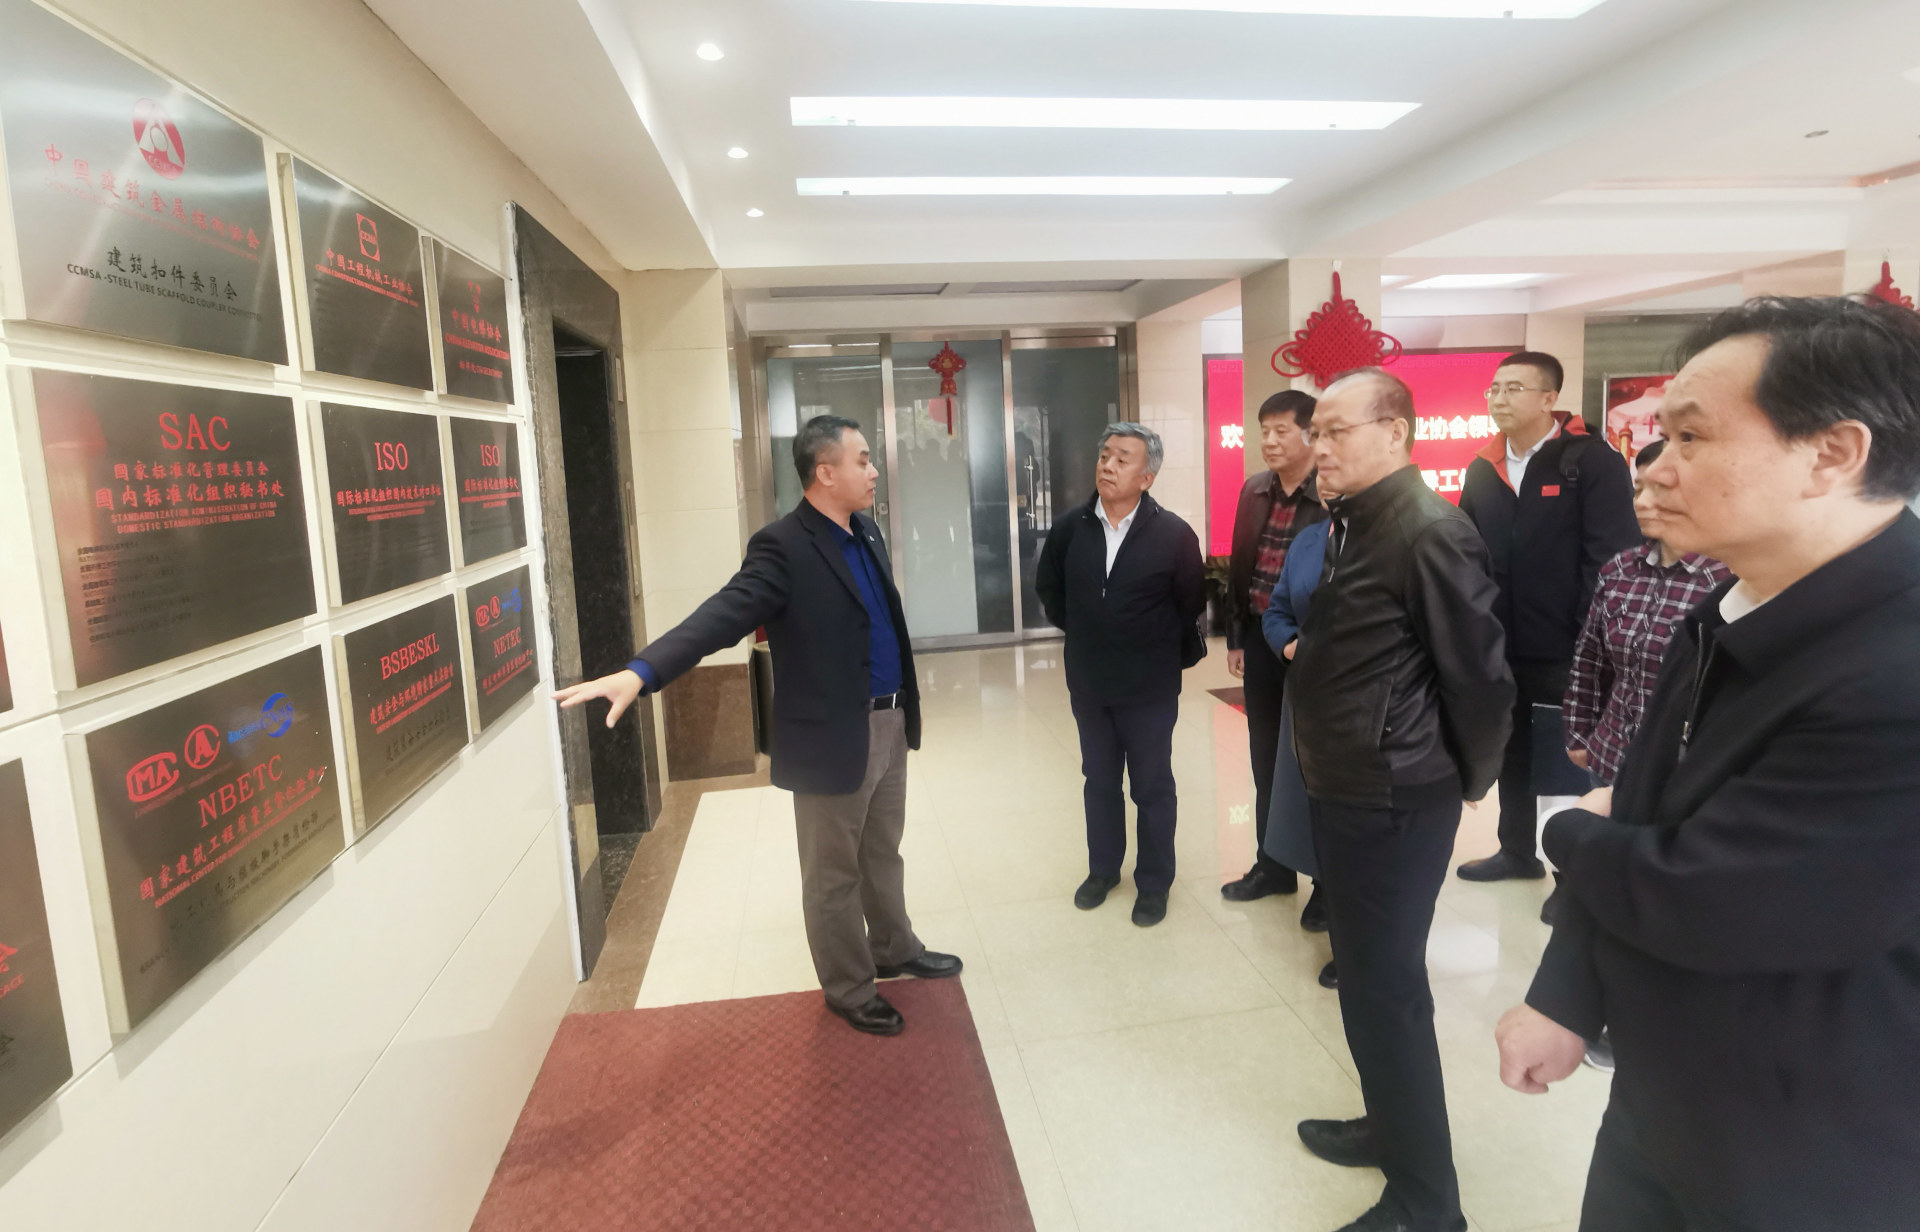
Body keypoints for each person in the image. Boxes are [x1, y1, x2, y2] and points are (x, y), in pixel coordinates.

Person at [1496, 296, 1920, 1232]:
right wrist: (1565, 993)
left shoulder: (1897, 669)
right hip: (1662, 1101)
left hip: (1813, 1140)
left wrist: (1568, 830)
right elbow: (1642, 821)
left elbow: (1713, 897)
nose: (1656, 467)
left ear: (1832, 454)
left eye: (1691, 437)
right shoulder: (1729, 606)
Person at [552, 415, 960, 1038]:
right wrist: (642, 671)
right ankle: (850, 989)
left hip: (888, 720)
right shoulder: (784, 546)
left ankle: (893, 947)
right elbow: (722, 614)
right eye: (862, 460)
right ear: (825, 473)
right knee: (832, 875)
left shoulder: (867, 531)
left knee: (882, 853)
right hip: (830, 737)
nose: (874, 470)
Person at [1288, 369, 1513, 1232]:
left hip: (1393, 794)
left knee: (1387, 992)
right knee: (1363, 982)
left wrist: (1467, 779)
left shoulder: (1428, 531)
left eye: (1337, 431)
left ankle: (1428, 1203)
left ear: (1396, 432)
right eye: (1316, 431)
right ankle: (1389, 1127)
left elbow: (1480, 680)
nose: (1319, 447)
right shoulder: (1354, 520)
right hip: (1347, 784)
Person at [1455, 350, 1638, 884]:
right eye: (1494, 389)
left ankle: (1570, 872)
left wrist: (1590, 639)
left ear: (1549, 398)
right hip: (1500, 643)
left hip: (1569, 646)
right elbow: (1466, 551)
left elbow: (1609, 559)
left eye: (1514, 388)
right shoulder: (1483, 468)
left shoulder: (1589, 462)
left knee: (1567, 757)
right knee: (1512, 747)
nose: (1499, 398)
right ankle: (1516, 852)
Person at [1036, 422, 1205, 928]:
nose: (1108, 466)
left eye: (1122, 459)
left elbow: (1190, 603)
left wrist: (1146, 644)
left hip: (1150, 686)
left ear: (1146, 477)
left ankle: (1153, 882)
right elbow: (1051, 592)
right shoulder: (1070, 528)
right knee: (1099, 780)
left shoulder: (1174, 535)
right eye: (1104, 455)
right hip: (1090, 681)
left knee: (1152, 786)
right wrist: (1093, 632)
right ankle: (1103, 870)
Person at [1222, 389, 1328, 910]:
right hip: (1264, 640)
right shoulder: (1254, 490)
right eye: (1264, 431)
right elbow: (1241, 565)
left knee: (1316, 762)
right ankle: (1274, 865)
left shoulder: (1330, 494)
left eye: (1281, 431)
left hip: (1314, 648)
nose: (1269, 441)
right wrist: (1236, 636)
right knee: (1265, 756)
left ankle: (1327, 882)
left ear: (1310, 433)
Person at [1260, 474, 1341, 989]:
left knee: (1351, 811)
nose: (1329, 482)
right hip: (1307, 692)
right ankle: (1322, 885)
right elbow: (1277, 610)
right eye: (1323, 475)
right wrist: (1289, 644)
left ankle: (1353, 927)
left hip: (1364, 704)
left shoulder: (1404, 538)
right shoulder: (1309, 540)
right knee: (1308, 797)